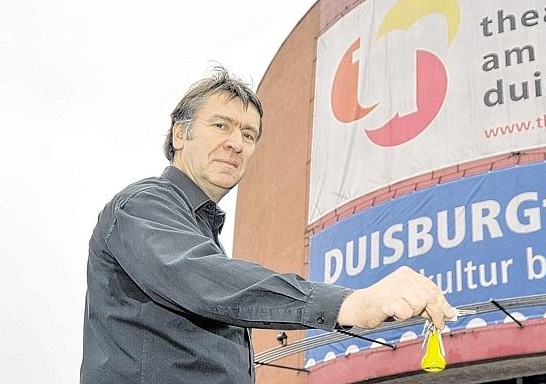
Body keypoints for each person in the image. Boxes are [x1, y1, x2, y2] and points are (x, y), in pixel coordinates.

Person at [80, 66, 456, 384]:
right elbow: (203, 278)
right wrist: (351, 302)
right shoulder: (142, 205)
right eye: (221, 125)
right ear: (180, 134)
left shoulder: (200, 231)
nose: (236, 144)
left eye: (248, 135)